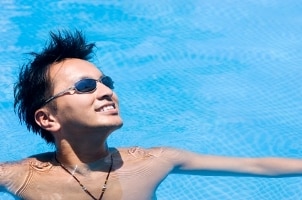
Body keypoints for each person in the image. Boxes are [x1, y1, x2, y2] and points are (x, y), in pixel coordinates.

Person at [0, 30, 302, 200]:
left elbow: (257, 165)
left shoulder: (153, 162)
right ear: (47, 118)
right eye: (85, 86)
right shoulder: (21, 177)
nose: (106, 92)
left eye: (107, 83)